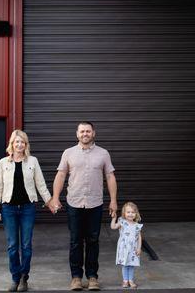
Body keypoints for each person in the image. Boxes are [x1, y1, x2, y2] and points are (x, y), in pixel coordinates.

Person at [51, 121, 117, 291]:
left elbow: (110, 177)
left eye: (88, 131)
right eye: (82, 131)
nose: (85, 134)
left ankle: (93, 277)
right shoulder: (68, 153)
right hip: (74, 203)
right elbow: (61, 175)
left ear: (93, 133)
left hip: (95, 203)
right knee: (75, 241)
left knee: (93, 241)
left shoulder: (103, 153)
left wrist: (113, 200)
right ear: (77, 133)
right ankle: (76, 277)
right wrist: (55, 197)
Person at [0, 129, 54, 292]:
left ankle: (24, 276)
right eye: (16, 142)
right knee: (12, 245)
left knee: (26, 244)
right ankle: (15, 278)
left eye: (22, 142)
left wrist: (50, 201)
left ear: (26, 145)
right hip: (8, 208)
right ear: (12, 144)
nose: (19, 144)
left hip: (27, 208)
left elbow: (40, 184)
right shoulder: (3, 163)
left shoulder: (33, 161)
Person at [111, 202, 143, 289]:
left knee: (131, 264)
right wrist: (114, 219)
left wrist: (139, 248)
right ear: (124, 213)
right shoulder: (122, 222)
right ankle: (125, 280)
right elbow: (113, 227)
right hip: (124, 248)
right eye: (128, 212)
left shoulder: (137, 225)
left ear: (136, 214)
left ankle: (131, 280)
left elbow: (139, 237)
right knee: (125, 264)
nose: (130, 214)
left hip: (133, 248)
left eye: (133, 212)